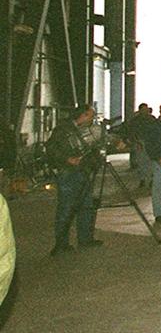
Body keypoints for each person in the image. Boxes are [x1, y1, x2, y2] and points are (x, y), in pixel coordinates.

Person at [46, 105, 107, 255]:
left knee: (86, 206)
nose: (92, 120)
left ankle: (85, 239)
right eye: (91, 116)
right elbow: (51, 149)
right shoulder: (63, 130)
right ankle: (61, 244)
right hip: (68, 173)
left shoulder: (84, 130)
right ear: (83, 115)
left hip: (84, 172)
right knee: (66, 208)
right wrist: (67, 159)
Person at [123, 103, 158, 190]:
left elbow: (156, 131)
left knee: (150, 162)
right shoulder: (135, 121)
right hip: (140, 143)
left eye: (146, 109)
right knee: (141, 162)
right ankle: (143, 179)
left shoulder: (152, 119)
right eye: (144, 109)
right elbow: (131, 132)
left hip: (150, 143)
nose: (146, 111)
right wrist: (136, 142)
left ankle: (150, 179)